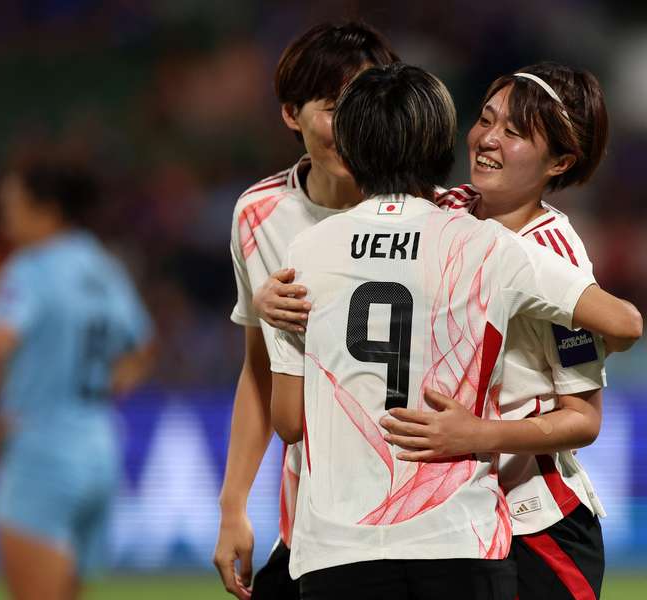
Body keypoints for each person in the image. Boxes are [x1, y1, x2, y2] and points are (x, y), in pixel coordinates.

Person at [267, 62, 640, 600]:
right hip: (458, 517)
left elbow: (582, 417)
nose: (487, 139)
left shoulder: (554, 255)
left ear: (560, 160)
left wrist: (480, 436)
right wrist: (271, 298)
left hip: (535, 521)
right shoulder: (450, 208)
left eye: (514, 133)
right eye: (486, 118)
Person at [213, 21, 399, 600]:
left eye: (365, 104)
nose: (351, 125)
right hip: (313, 519)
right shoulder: (259, 215)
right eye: (332, 106)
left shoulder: (427, 210)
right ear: (292, 115)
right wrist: (233, 505)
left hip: (416, 515)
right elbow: (260, 369)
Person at [0, 157, 154, 600]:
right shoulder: (102, 266)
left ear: (47, 210)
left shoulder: (28, 269)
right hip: (98, 448)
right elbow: (143, 346)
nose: (5, 216)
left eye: (13, 205)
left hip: (40, 451)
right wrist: (103, 386)